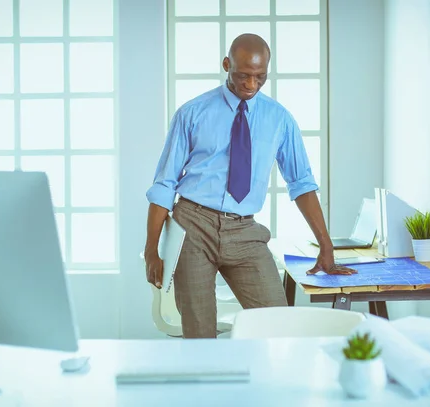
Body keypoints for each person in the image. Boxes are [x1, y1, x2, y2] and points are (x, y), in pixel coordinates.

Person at [145, 34, 357, 339]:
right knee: (200, 336)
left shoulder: (280, 119)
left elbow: (302, 184)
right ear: (226, 65)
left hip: (244, 232)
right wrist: (152, 249)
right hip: (193, 226)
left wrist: (325, 244)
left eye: (260, 77)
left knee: (278, 328)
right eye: (243, 75)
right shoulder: (192, 114)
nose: (251, 84)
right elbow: (164, 185)